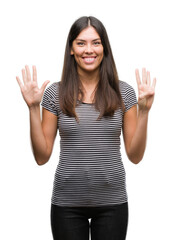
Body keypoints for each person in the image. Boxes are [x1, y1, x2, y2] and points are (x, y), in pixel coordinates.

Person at [16, 16, 156, 240]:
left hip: (113, 203)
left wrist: (145, 112)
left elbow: (136, 156)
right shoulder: (55, 93)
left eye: (96, 42)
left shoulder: (125, 93)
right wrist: (33, 108)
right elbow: (41, 157)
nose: (88, 50)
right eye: (81, 43)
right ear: (71, 48)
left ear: (104, 48)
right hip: (67, 205)